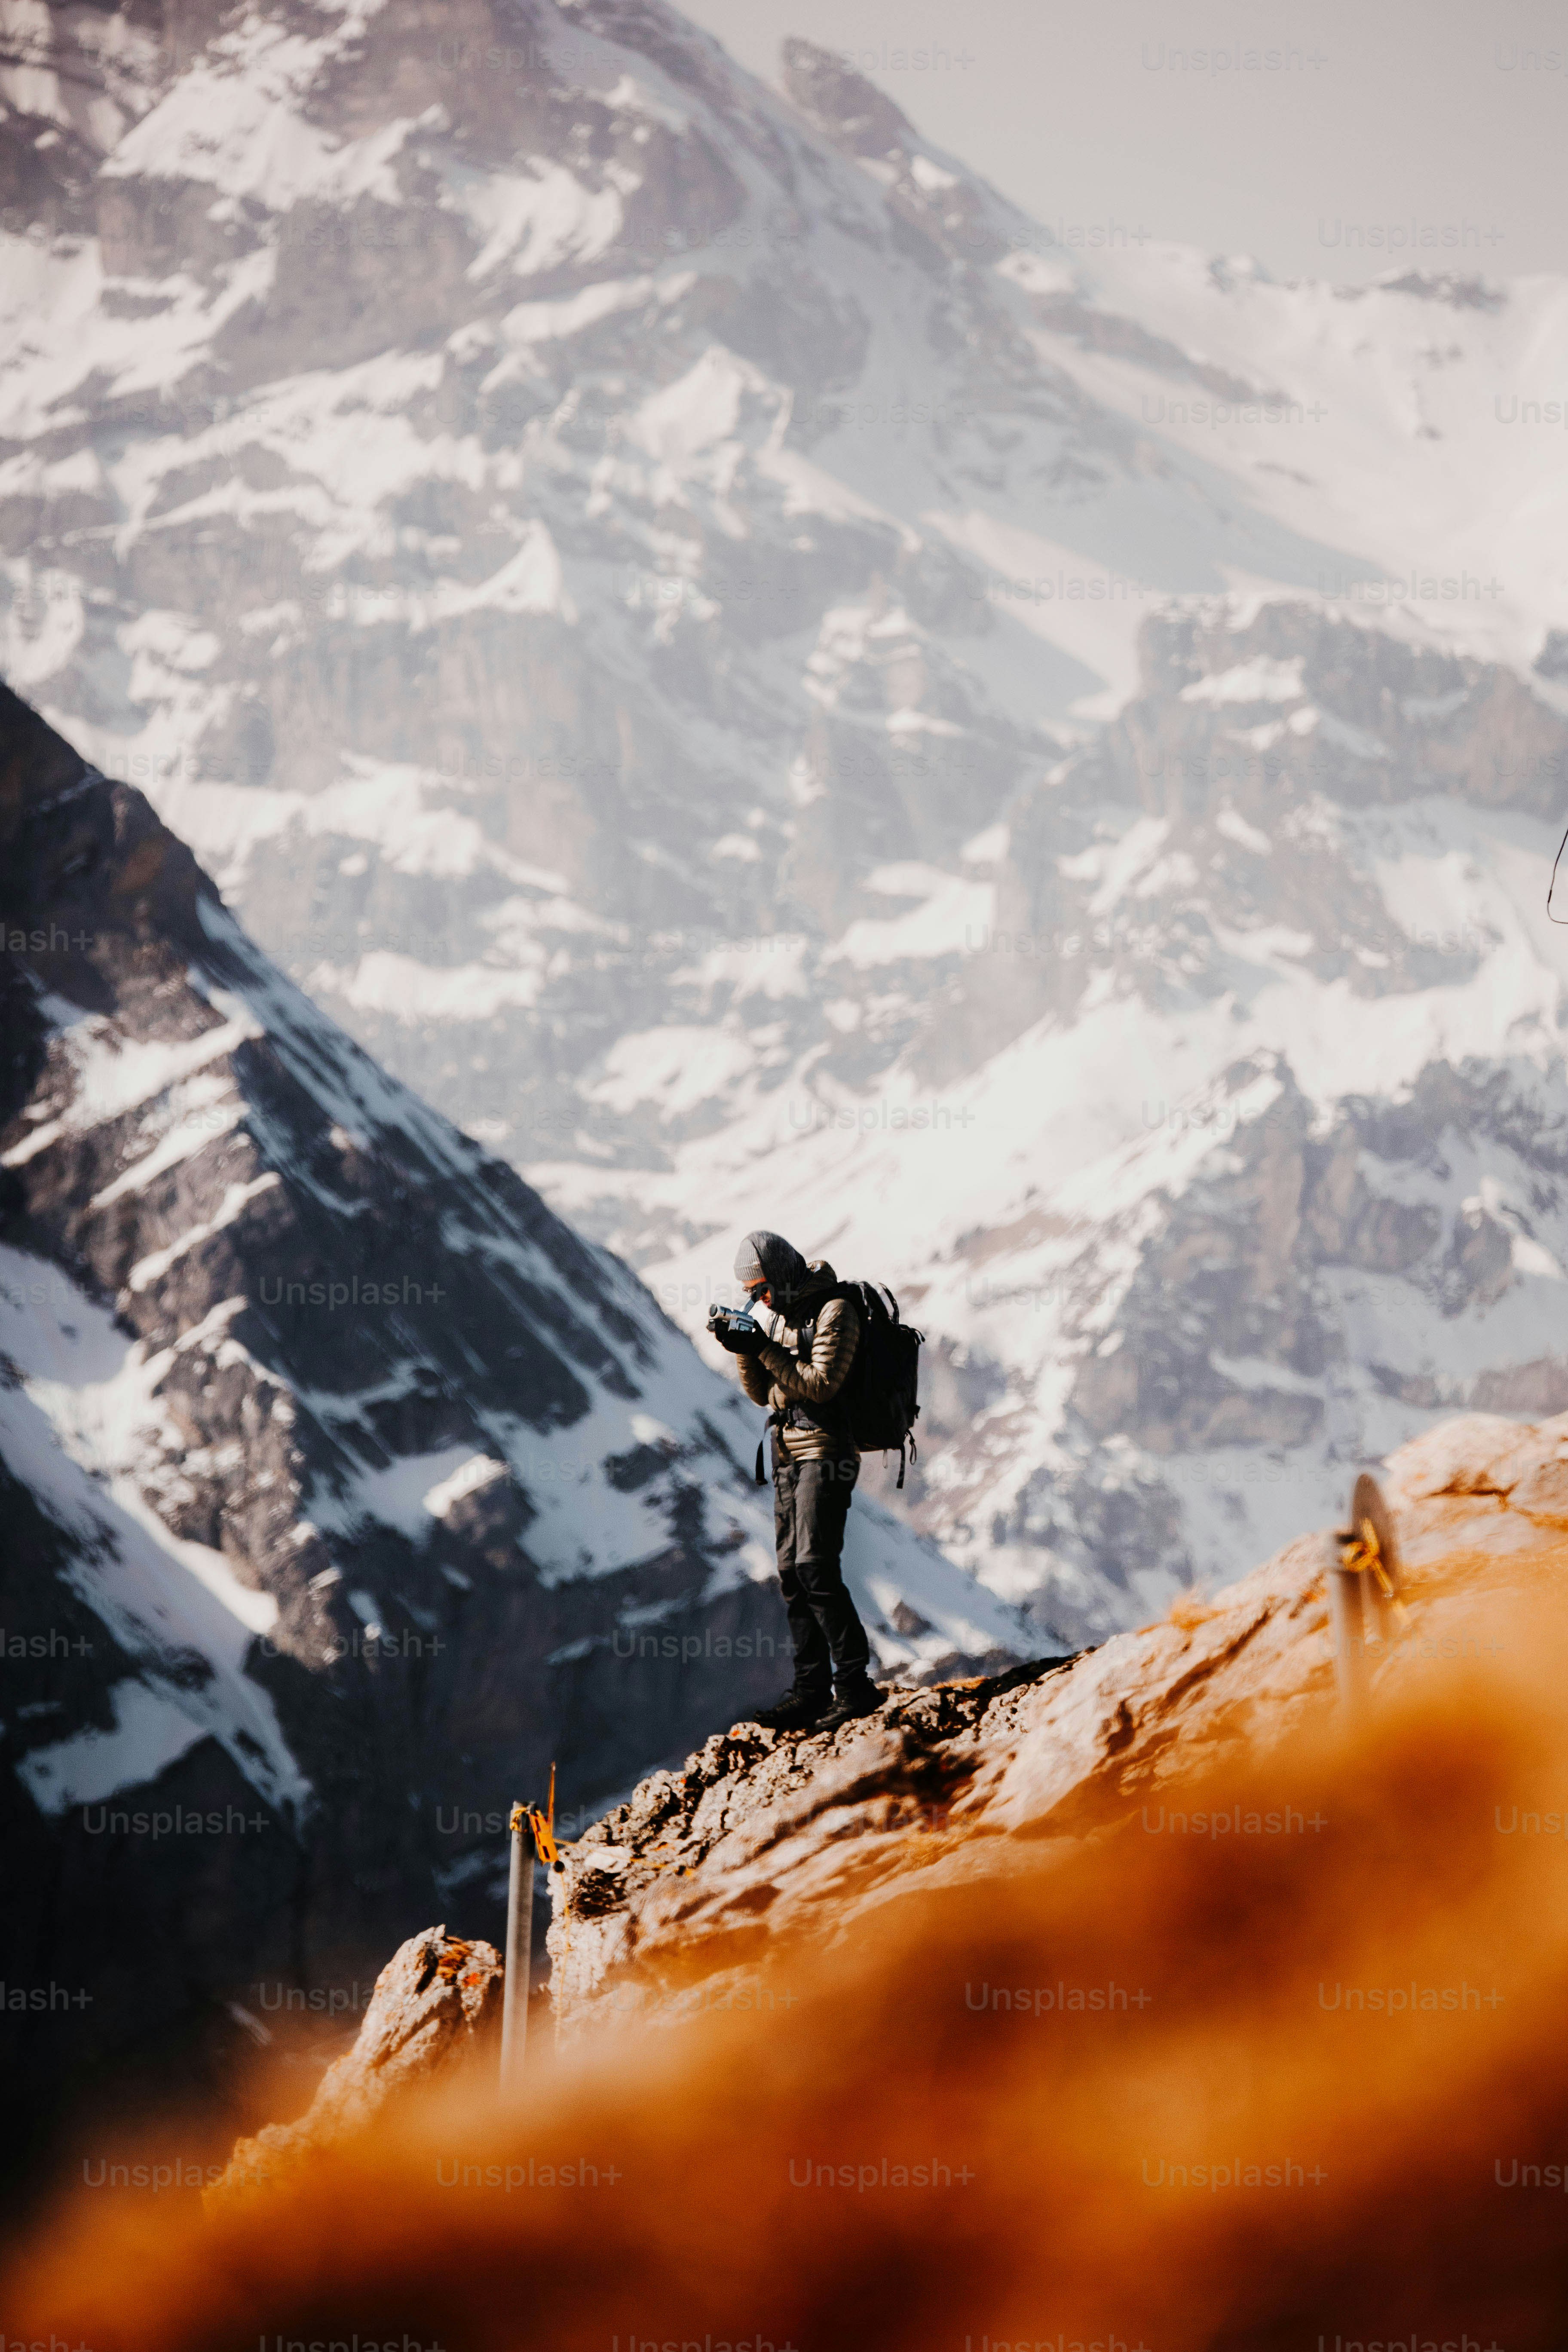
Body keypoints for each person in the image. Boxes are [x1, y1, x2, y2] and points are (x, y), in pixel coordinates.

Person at [709, 1229, 883, 1733]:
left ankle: (854, 1687)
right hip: (787, 1452)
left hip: (826, 1451)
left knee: (815, 1566)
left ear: (783, 1275)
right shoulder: (780, 1320)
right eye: (752, 1293)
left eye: (762, 1288)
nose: (758, 1299)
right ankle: (811, 1690)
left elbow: (821, 1386)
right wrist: (742, 1345)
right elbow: (763, 1394)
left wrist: (761, 1344)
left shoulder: (836, 1311)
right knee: (791, 1572)